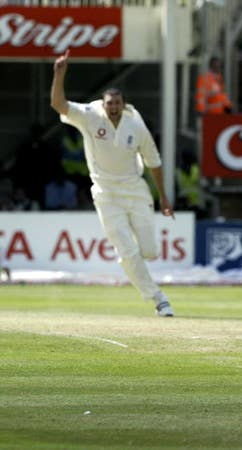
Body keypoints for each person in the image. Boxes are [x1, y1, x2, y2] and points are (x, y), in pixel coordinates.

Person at [50, 50, 175, 317]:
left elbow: (154, 161)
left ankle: (151, 276)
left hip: (135, 190)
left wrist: (163, 197)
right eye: (109, 103)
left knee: (150, 251)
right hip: (106, 194)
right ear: (103, 103)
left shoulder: (136, 124)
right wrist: (59, 74)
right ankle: (158, 299)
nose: (113, 107)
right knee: (127, 251)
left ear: (124, 104)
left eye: (117, 103)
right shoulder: (90, 115)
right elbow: (59, 105)